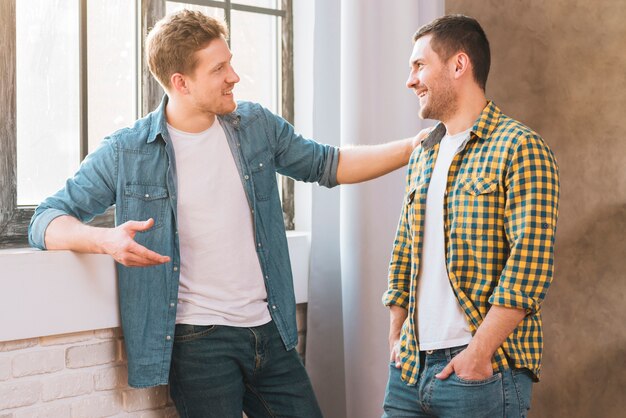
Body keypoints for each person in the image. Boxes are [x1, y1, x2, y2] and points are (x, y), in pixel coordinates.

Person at [28, 9, 425, 418]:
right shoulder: (128, 151)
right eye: (219, 68)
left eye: (230, 62)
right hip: (199, 344)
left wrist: (412, 148)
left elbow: (329, 164)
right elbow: (46, 219)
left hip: (270, 332)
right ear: (180, 83)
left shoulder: (254, 126)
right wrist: (106, 241)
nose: (234, 76)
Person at [382, 14, 560, 418]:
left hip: (481, 373)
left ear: (459, 65)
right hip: (409, 370)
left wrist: (478, 354)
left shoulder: (520, 148)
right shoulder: (424, 152)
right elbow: (404, 250)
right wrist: (397, 336)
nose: (411, 80)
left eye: (419, 65)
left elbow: (529, 265)